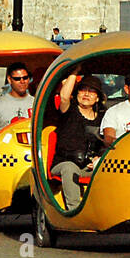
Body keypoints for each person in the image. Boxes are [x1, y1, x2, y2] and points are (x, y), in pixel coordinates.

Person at [50, 74, 105, 209]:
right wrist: (74, 72)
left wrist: (100, 158)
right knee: (70, 168)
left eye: (91, 91)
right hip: (63, 164)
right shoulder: (69, 111)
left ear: (97, 98)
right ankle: (74, 210)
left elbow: (107, 142)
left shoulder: (103, 118)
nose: (86, 94)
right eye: (83, 89)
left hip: (90, 167)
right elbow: (63, 97)